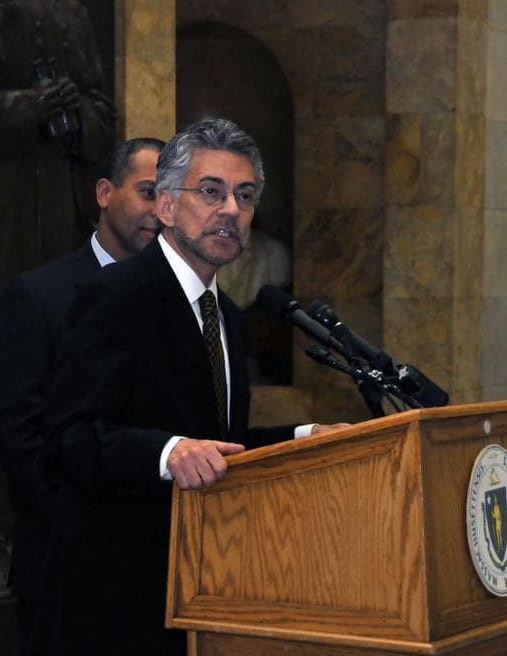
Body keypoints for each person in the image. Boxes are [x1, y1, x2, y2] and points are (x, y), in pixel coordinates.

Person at [42, 118, 344, 654]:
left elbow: (215, 444)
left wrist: (304, 437)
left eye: (244, 196)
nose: (230, 209)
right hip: (118, 595)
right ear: (165, 207)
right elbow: (70, 437)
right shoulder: (114, 296)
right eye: (211, 191)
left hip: (205, 585)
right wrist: (165, 452)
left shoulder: (228, 315)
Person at [0, 136, 165, 655]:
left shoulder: (178, 298)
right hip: (65, 560)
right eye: (148, 191)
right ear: (105, 193)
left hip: (160, 568)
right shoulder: (40, 294)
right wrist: (88, 519)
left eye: (170, 195)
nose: (160, 209)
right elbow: (17, 429)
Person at [0, 0, 116, 427]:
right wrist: (36, 104)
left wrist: (76, 111)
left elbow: (103, 116)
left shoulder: (75, 12)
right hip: (4, 206)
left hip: (66, 205)